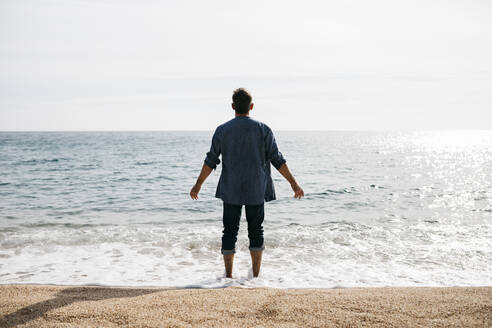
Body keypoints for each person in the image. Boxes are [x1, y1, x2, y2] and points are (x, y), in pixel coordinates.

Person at [190, 88, 304, 278]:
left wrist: (198, 184)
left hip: (231, 189)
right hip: (256, 189)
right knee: (256, 231)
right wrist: (293, 183)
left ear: (233, 106)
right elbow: (277, 159)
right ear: (251, 106)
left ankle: (228, 275)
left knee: (229, 232)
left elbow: (211, 160)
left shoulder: (222, 130)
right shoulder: (263, 129)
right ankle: (256, 276)